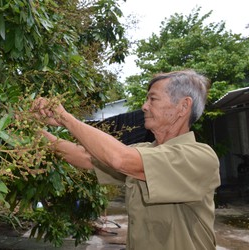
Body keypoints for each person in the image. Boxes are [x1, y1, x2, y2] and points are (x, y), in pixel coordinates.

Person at [31, 70, 221, 250]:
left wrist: (66, 119)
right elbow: (85, 156)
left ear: (183, 107)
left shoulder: (200, 157)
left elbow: (119, 158)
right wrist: (32, 131)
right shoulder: (145, 150)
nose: (144, 106)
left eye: (152, 99)